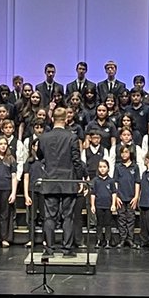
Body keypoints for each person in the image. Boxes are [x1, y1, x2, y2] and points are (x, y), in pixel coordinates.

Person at [37, 106, 83, 257]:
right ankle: (67, 250)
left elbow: (39, 156)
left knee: (49, 217)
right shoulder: (72, 137)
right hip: (68, 181)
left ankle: (49, 250)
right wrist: (80, 179)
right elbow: (76, 161)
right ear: (66, 119)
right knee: (68, 216)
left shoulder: (43, 137)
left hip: (50, 180)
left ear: (52, 119)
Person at [113, 143, 140, 248]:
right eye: (122, 153)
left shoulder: (135, 167)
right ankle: (122, 239)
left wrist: (136, 196)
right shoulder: (118, 167)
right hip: (120, 196)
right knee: (121, 218)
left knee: (131, 218)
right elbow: (115, 182)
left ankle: (130, 239)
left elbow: (137, 182)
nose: (124, 155)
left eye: (126, 152)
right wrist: (116, 197)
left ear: (130, 153)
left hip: (131, 197)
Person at [90, 159, 118, 249]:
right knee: (99, 224)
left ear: (108, 169)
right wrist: (93, 205)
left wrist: (113, 204)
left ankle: (107, 241)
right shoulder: (96, 180)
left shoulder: (111, 181)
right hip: (99, 205)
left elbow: (114, 193)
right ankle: (99, 240)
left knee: (108, 224)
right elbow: (93, 194)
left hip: (108, 205)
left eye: (104, 167)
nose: (102, 169)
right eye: (100, 167)